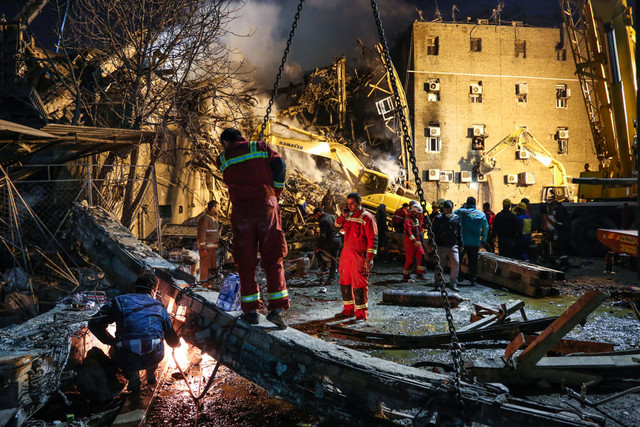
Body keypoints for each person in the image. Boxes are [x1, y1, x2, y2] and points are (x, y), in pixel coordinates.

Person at [216, 128, 289, 329]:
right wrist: (276, 190)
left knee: (245, 263)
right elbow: (280, 164)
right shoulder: (259, 146)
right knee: (273, 259)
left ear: (225, 142)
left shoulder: (222, 158)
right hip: (266, 206)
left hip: (241, 213)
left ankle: (250, 311)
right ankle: (276, 310)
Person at [88, 273, 180, 392]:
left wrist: (110, 341)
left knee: (116, 350)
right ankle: (151, 374)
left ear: (135, 288)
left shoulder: (119, 301)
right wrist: (177, 344)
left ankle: (132, 377)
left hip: (126, 358)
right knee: (156, 344)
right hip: (153, 357)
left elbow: (94, 323)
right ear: (153, 291)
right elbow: (170, 338)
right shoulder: (159, 306)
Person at [335, 192, 378, 321]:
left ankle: (361, 313)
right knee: (345, 282)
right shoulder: (348, 216)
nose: (350, 206)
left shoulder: (368, 218)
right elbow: (337, 226)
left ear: (360, 203)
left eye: (352, 203)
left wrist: (369, 259)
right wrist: (343, 216)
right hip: (346, 256)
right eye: (348, 204)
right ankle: (348, 310)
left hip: (359, 257)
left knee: (359, 284)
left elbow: (373, 239)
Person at [454, 196, 489, 286]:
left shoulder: (461, 212)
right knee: (473, 262)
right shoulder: (481, 214)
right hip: (475, 243)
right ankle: (473, 279)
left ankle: (459, 276)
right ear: (475, 204)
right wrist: (484, 240)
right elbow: (486, 228)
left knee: (458, 260)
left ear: (467, 203)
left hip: (462, 242)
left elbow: (452, 215)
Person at [431, 200, 463, 291]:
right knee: (440, 265)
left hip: (453, 245)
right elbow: (434, 232)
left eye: (450, 209)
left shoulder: (456, 218)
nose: (449, 211)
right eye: (447, 209)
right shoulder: (438, 218)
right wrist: (433, 243)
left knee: (456, 263)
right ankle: (437, 283)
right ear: (444, 209)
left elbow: (459, 231)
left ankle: (453, 283)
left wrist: (460, 243)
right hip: (441, 245)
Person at [313, 207, 341, 285]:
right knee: (334, 258)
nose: (316, 217)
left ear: (318, 213)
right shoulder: (332, 216)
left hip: (330, 241)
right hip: (338, 240)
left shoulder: (322, 220)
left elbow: (323, 236)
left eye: (316, 215)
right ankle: (332, 276)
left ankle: (324, 267)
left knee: (316, 251)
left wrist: (318, 247)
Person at [197, 200, 220, 287]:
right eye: (218, 207)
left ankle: (209, 286)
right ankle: (203, 285)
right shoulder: (204, 219)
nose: (218, 210)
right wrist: (203, 248)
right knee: (205, 268)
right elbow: (201, 234)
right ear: (213, 208)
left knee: (212, 268)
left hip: (213, 249)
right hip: (206, 249)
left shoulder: (213, 219)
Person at [402, 203, 426, 281]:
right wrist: (414, 240)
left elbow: (418, 230)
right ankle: (406, 276)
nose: (419, 215)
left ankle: (420, 273)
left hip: (416, 242)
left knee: (422, 254)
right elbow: (408, 232)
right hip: (410, 243)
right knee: (410, 259)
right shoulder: (408, 220)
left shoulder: (415, 220)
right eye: (418, 214)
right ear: (414, 212)